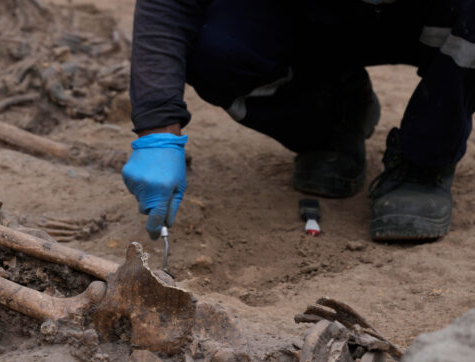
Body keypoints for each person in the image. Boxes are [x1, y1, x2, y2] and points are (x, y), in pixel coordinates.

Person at [121, 0, 475, 241]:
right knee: (215, 45)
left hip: (436, 15)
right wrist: (158, 130)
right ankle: (333, 118)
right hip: (312, 15)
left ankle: (424, 158)